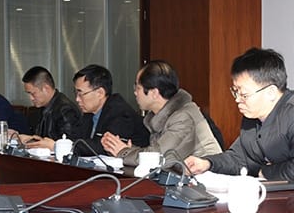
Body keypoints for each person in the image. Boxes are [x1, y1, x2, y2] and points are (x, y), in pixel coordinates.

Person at [185, 48, 294, 180]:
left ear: (270, 92)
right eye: (236, 92)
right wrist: (207, 163)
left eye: (244, 95)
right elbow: (239, 158)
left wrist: (265, 172)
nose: (237, 100)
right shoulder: (252, 117)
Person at [101, 60, 221, 166]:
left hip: (206, 179)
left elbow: (158, 157)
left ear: (154, 93)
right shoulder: (160, 116)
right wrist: (126, 149)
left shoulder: (183, 117)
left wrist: (124, 152)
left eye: (137, 88)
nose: (135, 93)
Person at [69, 65, 149, 156]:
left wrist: (68, 146)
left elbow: (104, 148)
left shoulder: (121, 114)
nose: (77, 99)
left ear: (100, 93)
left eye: (81, 94)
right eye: (76, 93)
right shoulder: (89, 113)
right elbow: (76, 137)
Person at [19, 66, 81, 151]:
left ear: (46, 88)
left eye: (33, 93)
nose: (31, 98)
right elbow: (41, 138)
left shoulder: (65, 110)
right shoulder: (41, 107)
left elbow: (69, 146)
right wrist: (30, 139)